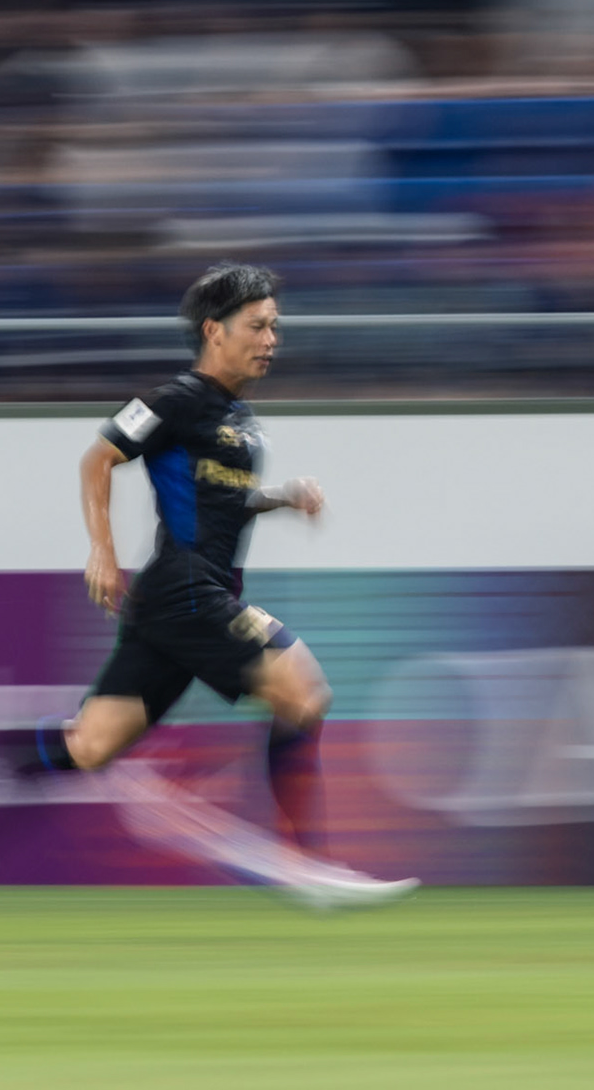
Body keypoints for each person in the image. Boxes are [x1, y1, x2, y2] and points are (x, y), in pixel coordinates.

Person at [24, 262, 416, 906]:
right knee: (304, 692)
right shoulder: (173, 400)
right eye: (258, 327)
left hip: (172, 603)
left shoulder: (239, 417)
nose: (271, 340)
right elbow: (99, 455)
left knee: (89, 747)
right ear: (215, 330)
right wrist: (101, 549)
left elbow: (216, 501)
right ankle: (303, 862)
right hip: (187, 589)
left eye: (275, 327)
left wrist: (276, 498)